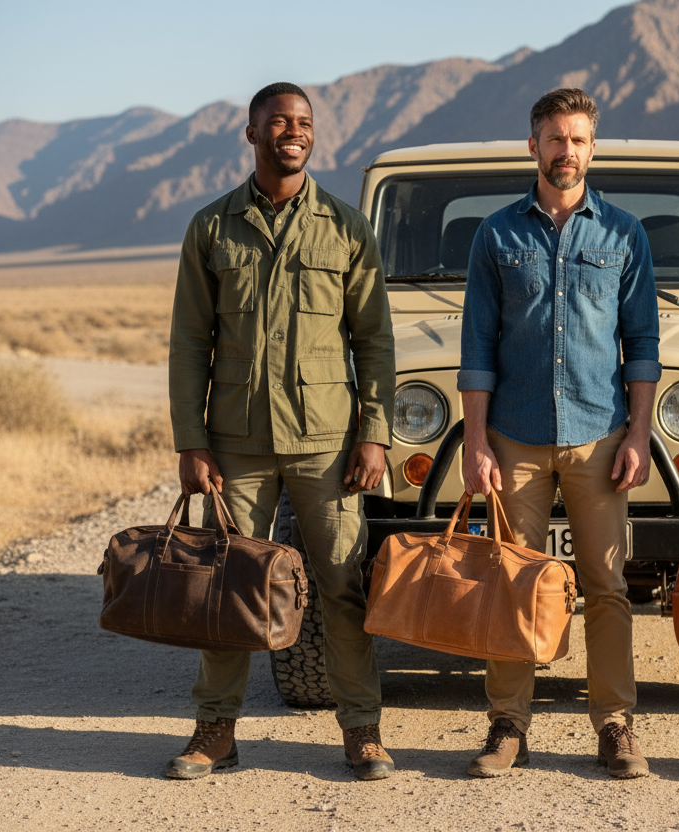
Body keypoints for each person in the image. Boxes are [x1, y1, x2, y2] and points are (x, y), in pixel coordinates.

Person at [166, 82, 396, 781]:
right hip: (236, 440)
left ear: (313, 135)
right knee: (227, 582)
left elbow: (374, 340)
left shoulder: (346, 227)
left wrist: (375, 433)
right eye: (278, 122)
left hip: (327, 440)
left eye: (303, 122)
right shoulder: (213, 228)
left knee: (342, 584)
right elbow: (188, 343)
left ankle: (362, 730)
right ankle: (216, 730)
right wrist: (190, 440)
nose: (292, 132)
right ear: (252, 133)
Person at [457, 88, 661, 780]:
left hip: (599, 437)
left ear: (592, 148)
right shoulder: (497, 234)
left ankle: (615, 724)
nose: (565, 151)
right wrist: (476, 443)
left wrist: (638, 433)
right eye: (554, 138)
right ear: (532, 145)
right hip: (513, 437)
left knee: (605, 584)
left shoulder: (624, 234)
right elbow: (478, 345)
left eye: (577, 139)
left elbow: (642, 344)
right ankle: (508, 724)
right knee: (511, 583)